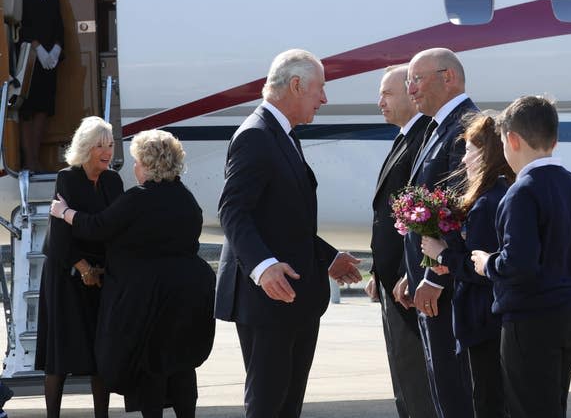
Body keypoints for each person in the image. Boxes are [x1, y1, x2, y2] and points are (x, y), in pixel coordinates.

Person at [216, 49, 362, 418]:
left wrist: (328, 257)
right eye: (320, 88)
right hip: (268, 301)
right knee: (269, 404)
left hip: (292, 300)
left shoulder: (283, 135)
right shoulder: (256, 135)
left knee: (287, 405)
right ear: (296, 85)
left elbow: (285, 218)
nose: (325, 98)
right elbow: (233, 210)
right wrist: (263, 267)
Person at [50, 130, 216, 418]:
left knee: (151, 368)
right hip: (187, 295)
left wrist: (65, 212)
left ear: (150, 165)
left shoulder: (139, 199)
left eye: (138, 162)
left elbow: (98, 226)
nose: (134, 168)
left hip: (150, 298)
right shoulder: (185, 198)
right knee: (181, 366)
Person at [471, 96, 571, 418]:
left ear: (511, 140)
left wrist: (488, 264)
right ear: (553, 139)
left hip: (529, 323)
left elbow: (519, 264)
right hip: (568, 316)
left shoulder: (522, 191)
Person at [421, 112, 515, 418]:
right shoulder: (498, 195)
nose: (463, 161)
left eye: (470, 152)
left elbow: (484, 270)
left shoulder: (487, 202)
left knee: (489, 401)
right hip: (491, 321)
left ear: (487, 155)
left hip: (485, 321)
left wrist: (442, 255)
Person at [399, 47, 476, 417]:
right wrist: (408, 271)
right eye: (407, 81)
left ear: (448, 78)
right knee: (442, 386)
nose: (409, 89)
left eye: (416, 78)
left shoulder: (466, 127)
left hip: (449, 290)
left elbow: (460, 213)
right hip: (431, 287)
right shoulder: (438, 127)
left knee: (456, 389)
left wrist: (434, 274)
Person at [35, 116, 123, 418]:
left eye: (110, 145)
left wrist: (99, 270)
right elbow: (59, 239)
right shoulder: (67, 178)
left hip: (101, 276)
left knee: (101, 351)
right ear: (86, 147)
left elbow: (115, 228)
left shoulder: (113, 181)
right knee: (59, 354)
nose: (107, 151)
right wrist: (84, 268)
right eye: (100, 145)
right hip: (65, 273)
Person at [366, 64, 437, 418]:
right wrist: (378, 272)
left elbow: (423, 215)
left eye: (387, 93)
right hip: (392, 283)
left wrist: (413, 271)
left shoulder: (424, 139)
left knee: (417, 381)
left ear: (411, 94)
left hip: (407, 286)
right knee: (405, 380)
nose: (380, 101)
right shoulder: (405, 138)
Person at [16, 0, 64, 171]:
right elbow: (21, 24)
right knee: (27, 109)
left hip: (50, 59)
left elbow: (59, 24)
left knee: (43, 108)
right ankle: (29, 161)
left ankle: (36, 159)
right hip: (28, 57)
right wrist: (38, 48)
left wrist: (56, 48)